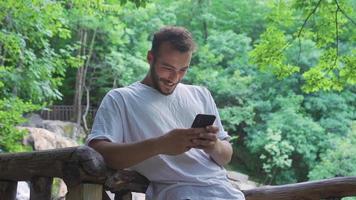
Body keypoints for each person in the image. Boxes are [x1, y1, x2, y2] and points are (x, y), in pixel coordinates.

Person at [87, 26, 245, 200]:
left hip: (227, 193)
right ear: (150, 58)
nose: (174, 78)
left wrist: (213, 145)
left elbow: (226, 157)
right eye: (167, 68)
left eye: (183, 70)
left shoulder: (201, 94)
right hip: (179, 193)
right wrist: (160, 145)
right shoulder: (121, 99)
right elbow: (98, 152)